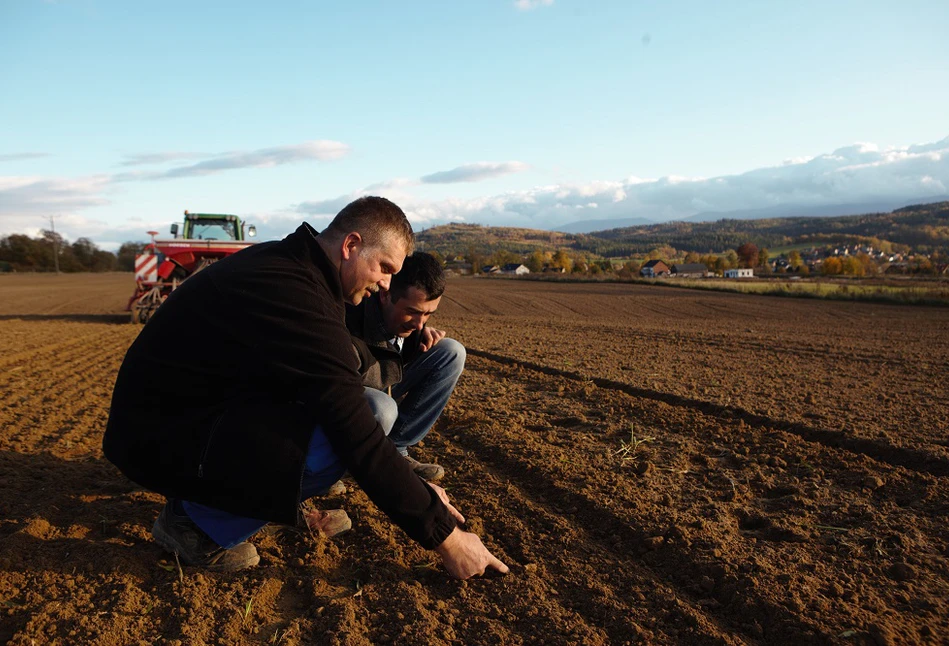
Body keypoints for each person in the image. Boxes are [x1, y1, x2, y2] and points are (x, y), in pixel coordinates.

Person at [103, 196, 508, 579]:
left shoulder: (298, 269)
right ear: (351, 244)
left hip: (195, 415)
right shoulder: (296, 294)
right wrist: (446, 538)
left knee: (331, 418)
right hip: (159, 436)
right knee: (355, 424)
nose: (387, 285)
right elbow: (353, 428)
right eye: (385, 268)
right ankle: (194, 524)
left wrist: (410, 481)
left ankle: (257, 508)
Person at [345, 252, 463, 482]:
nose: (420, 323)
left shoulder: (411, 326)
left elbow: (413, 330)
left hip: (386, 381)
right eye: (413, 312)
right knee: (384, 407)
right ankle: (338, 466)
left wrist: (417, 333)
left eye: (428, 314)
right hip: (348, 393)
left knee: (451, 352)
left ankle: (395, 449)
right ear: (385, 295)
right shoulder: (350, 316)